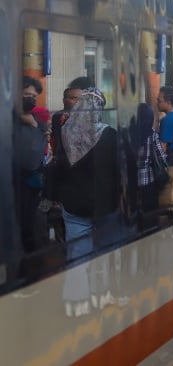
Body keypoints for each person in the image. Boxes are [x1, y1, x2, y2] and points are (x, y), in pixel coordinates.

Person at [56, 87, 119, 316]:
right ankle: (100, 297)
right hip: (103, 204)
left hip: (72, 203)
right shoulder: (109, 135)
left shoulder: (64, 132)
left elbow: (58, 166)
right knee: (103, 252)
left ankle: (76, 304)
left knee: (77, 255)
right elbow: (117, 171)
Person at [15, 76, 50, 253]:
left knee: (30, 233)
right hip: (11, 186)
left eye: (34, 97)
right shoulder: (8, 118)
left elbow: (34, 156)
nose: (32, 99)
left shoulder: (37, 121)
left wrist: (34, 125)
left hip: (30, 188)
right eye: (27, 95)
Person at [135, 103, 167, 226]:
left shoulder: (128, 132)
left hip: (132, 182)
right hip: (148, 180)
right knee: (150, 215)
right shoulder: (152, 134)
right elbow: (161, 155)